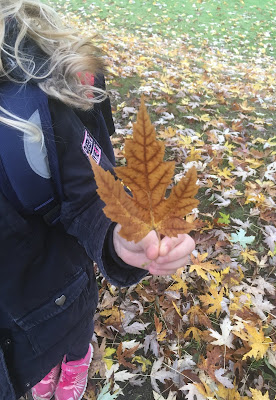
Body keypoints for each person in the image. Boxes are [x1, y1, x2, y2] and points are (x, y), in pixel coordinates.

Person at [0, 1, 195, 400]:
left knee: (68, 333)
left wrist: (117, 234)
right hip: (12, 334)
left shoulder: (26, 105)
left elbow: (91, 193)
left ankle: (74, 356)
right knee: (29, 361)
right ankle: (38, 365)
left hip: (57, 296)